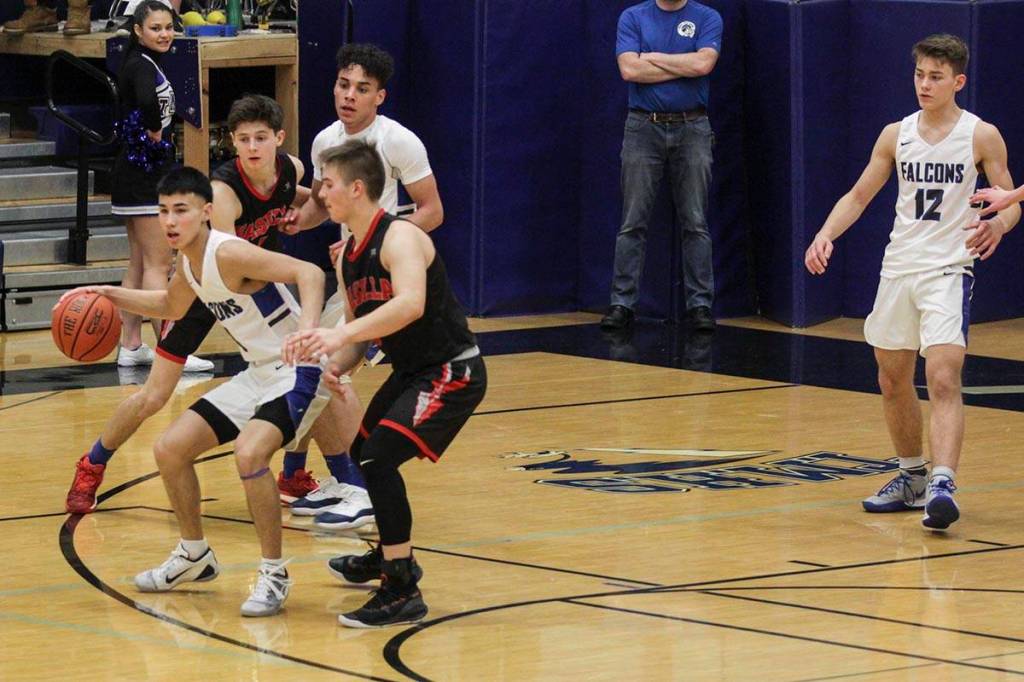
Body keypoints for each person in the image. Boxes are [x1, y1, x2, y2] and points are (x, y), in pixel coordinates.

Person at [64, 95, 368, 520]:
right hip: (216, 286)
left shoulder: (291, 170)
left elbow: (311, 200)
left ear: (278, 139)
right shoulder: (223, 194)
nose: (253, 147)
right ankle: (92, 464)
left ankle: (305, 475)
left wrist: (303, 215)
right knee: (154, 395)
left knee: (301, 373)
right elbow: (220, 264)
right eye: (243, 139)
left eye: (261, 138)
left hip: (256, 286)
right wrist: (112, 293)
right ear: (234, 143)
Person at [60, 166, 330, 617]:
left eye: (180, 211)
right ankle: (193, 555)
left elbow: (310, 273)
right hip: (259, 372)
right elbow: (169, 306)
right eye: (164, 211)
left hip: (295, 370)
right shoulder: (188, 262)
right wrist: (108, 292)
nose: (169, 220)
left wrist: (306, 334)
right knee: (169, 449)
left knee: (250, 455)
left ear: (206, 213)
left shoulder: (229, 253)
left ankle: (274, 572)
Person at [804, 34, 1020, 531]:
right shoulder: (894, 134)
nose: (925, 84)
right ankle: (911, 477)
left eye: (936, 76)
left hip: (949, 268)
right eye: (920, 74)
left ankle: (943, 483)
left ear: (957, 82)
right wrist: (825, 233)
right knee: (892, 379)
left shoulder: (981, 134)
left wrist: (996, 225)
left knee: (943, 374)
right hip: (899, 266)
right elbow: (859, 195)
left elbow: (1010, 202)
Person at [284, 140, 487, 628]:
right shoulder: (347, 254)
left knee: (377, 458)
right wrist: (337, 362)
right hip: (412, 370)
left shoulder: (400, 237)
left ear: (356, 188)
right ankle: (392, 554)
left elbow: (410, 304)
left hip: (451, 370)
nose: (320, 193)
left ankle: (401, 587)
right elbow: (362, 324)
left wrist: (340, 334)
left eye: (327, 184)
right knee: (363, 450)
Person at [282, 42, 444, 530]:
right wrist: (293, 220)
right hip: (348, 276)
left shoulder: (399, 142)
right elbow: (319, 206)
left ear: (380, 97)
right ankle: (308, 475)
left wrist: (373, 243)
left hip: (387, 277)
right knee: (311, 365)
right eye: (343, 84)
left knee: (324, 370)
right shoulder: (324, 140)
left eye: (362, 89)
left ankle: (355, 484)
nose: (349, 96)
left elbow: (433, 211)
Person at [600, 0, 722, 333]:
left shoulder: (707, 17)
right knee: (632, 221)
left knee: (695, 221)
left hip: (693, 126)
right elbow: (629, 70)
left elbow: (704, 65)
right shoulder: (632, 17)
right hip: (643, 126)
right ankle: (622, 304)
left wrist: (652, 57)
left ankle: (699, 306)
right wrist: (683, 63)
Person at [109, 1, 206, 370]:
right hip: (141, 174)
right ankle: (172, 350)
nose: (164, 34)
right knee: (159, 262)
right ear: (138, 31)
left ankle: (131, 344)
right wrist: (153, 127)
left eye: (168, 27)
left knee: (138, 262)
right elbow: (148, 101)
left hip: (135, 173)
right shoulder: (139, 65)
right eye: (156, 28)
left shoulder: (143, 62)